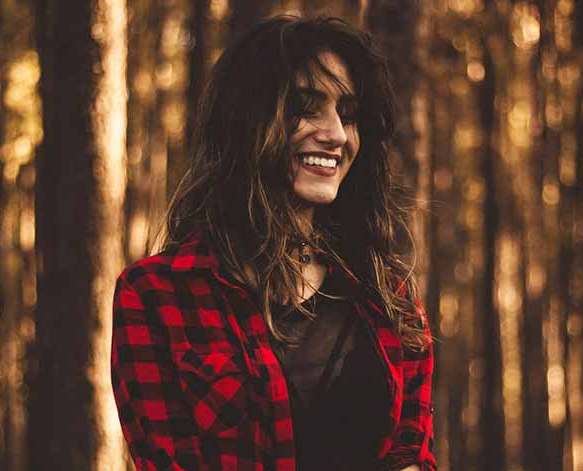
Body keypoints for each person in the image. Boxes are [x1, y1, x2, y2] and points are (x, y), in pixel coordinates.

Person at [111, 15, 435, 471]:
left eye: (349, 114)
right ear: (245, 121)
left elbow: (413, 455)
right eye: (306, 107)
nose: (337, 134)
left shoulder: (389, 296)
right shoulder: (155, 296)